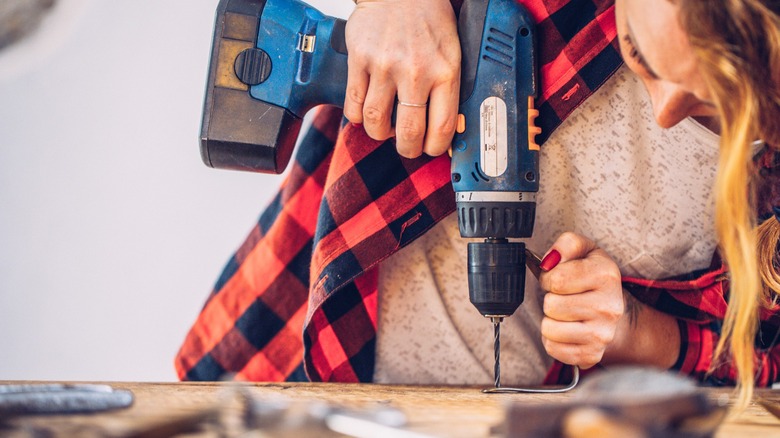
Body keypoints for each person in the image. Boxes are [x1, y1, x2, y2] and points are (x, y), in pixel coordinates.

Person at [176, 0, 779, 407]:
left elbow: (766, 353)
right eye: (641, 55)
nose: (665, 112)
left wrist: (636, 332)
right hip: (304, 362)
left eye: (718, 105)